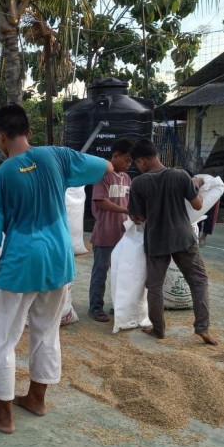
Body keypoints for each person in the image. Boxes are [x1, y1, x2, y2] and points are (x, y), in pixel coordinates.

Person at [0, 104, 112, 434]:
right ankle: (36, 399)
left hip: (21, 264)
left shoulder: (2, 176)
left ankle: (3, 416)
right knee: (47, 332)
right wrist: (58, 168)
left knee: (2, 338)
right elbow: (105, 166)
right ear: (29, 132)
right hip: (58, 260)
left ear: (0, 137)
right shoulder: (58, 156)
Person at [126, 139, 218, 346]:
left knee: (155, 286)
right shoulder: (180, 175)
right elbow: (197, 205)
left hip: (156, 241)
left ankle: (158, 329)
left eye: (136, 163)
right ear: (156, 154)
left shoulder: (139, 183)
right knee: (199, 281)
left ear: (141, 161)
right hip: (183, 238)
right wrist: (196, 186)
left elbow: (136, 217)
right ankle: (202, 328)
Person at [88, 138, 133, 322]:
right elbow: (101, 200)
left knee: (121, 272)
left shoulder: (127, 178)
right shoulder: (103, 176)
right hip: (105, 234)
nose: (129, 164)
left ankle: (118, 304)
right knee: (101, 271)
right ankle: (95, 307)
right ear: (115, 156)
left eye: (131, 161)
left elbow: (129, 202)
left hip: (123, 234)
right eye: (127, 160)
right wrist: (125, 210)